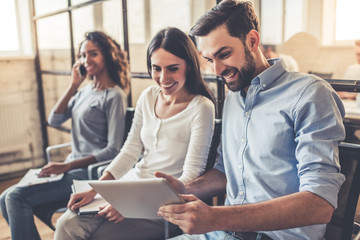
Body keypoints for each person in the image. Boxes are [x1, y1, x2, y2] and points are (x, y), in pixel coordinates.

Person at [157, 1, 346, 240]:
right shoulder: (234, 99)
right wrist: (185, 188)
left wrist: (217, 217)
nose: (216, 70)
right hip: (222, 233)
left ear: (253, 41)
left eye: (224, 55)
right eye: (209, 59)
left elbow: (320, 203)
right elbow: (225, 171)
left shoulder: (309, 94)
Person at [54, 27, 215, 240]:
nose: (163, 77)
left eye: (172, 68)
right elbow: (129, 151)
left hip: (163, 206)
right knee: (66, 223)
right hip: (128, 188)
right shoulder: (148, 96)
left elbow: (191, 175)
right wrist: (98, 189)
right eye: (156, 68)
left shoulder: (201, 107)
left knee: (94, 237)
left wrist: (134, 204)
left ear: (189, 67)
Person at [0, 31, 130, 240]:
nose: (86, 60)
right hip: (68, 169)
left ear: (107, 55)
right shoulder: (85, 91)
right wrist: (73, 85)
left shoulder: (114, 96)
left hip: (86, 174)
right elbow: (54, 119)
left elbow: (113, 150)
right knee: (4, 196)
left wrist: (67, 166)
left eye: (93, 54)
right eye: (82, 55)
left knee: (15, 197)